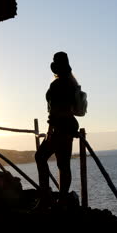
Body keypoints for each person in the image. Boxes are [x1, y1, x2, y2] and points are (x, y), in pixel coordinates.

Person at [33, 51, 80, 211]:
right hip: (69, 127)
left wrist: (50, 130)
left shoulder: (58, 84)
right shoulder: (72, 82)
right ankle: (62, 201)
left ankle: (45, 197)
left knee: (40, 157)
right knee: (63, 164)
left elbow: (55, 111)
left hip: (59, 127)